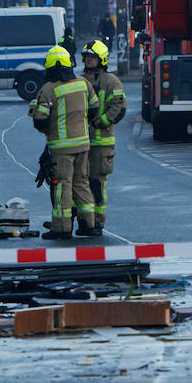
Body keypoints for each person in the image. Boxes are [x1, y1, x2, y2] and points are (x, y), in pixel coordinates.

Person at [29, 45, 93, 241]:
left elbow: (40, 121)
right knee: (81, 182)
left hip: (61, 149)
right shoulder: (83, 83)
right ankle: (88, 224)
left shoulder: (48, 90)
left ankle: (62, 227)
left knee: (62, 185)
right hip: (83, 145)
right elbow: (95, 108)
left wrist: (35, 107)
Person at [80, 40, 126, 237]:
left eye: (92, 57)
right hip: (81, 141)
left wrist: (100, 121)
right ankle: (83, 222)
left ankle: (98, 223)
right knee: (80, 182)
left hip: (101, 142)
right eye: (86, 57)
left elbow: (119, 107)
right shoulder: (79, 80)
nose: (89, 60)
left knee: (98, 183)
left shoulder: (111, 81)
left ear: (102, 59)